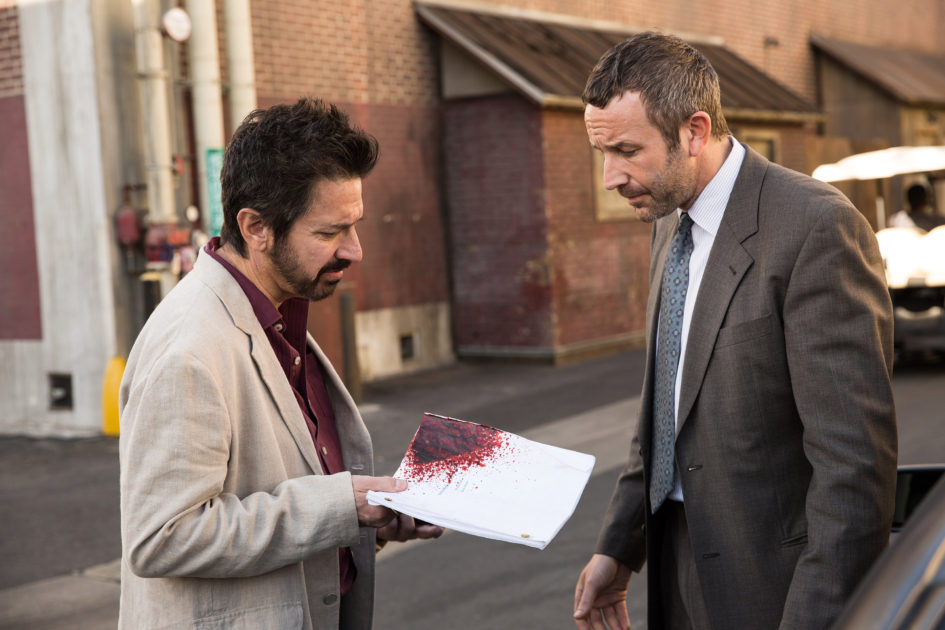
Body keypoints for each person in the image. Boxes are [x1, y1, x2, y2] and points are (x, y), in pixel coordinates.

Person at [573, 32, 897, 630]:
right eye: (602, 153)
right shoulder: (668, 221)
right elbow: (667, 410)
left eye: (625, 150)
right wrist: (620, 547)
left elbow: (853, 469)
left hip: (777, 593)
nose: (610, 177)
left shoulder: (816, 228)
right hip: (677, 571)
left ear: (694, 131)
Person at [118, 97, 443, 630]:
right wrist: (344, 507)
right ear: (256, 227)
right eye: (329, 232)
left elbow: (283, 494)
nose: (354, 250)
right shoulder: (189, 349)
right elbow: (162, 538)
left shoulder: (278, 314)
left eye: (354, 225)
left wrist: (371, 520)